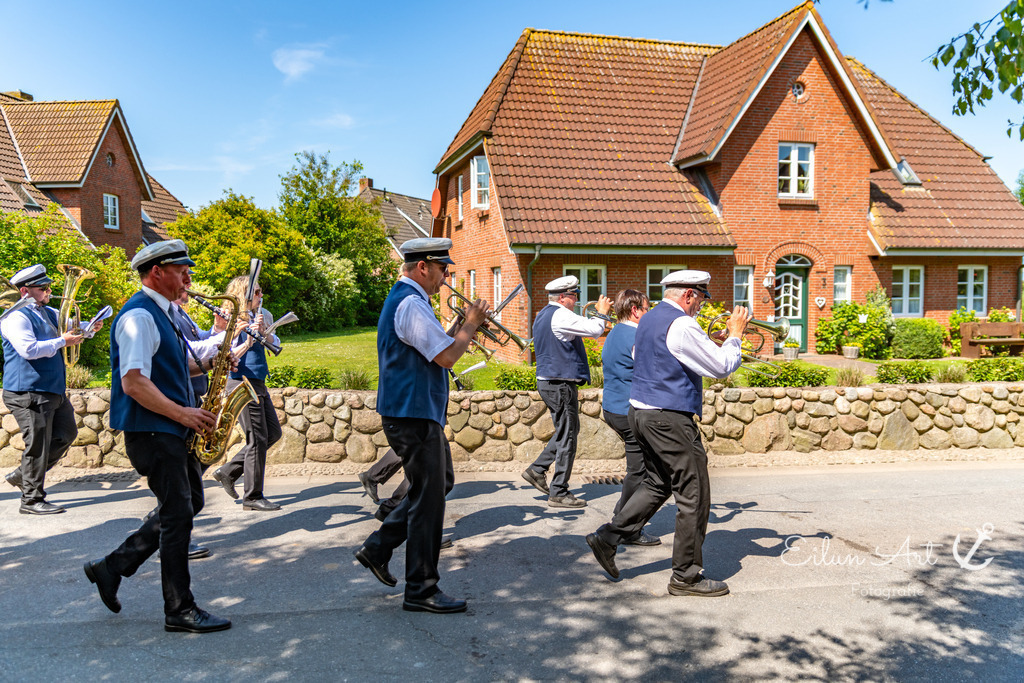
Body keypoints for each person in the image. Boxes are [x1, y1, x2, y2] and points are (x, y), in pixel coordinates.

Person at [84, 239, 231, 633]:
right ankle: (179, 609)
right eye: (181, 271)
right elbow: (133, 382)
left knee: (189, 502)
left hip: (168, 429)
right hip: (153, 431)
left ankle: (112, 567)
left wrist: (213, 362)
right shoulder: (139, 317)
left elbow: (175, 365)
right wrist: (184, 413)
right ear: (156, 272)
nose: (188, 279)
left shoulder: (163, 313)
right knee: (178, 514)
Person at [585, 270, 749, 597]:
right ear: (689, 295)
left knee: (657, 482)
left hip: (640, 412)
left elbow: (649, 356)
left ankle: (608, 537)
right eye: (700, 298)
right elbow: (721, 368)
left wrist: (706, 345)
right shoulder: (683, 324)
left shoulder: (649, 319)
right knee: (694, 494)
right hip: (668, 417)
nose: (701, 305)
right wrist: (735, 336)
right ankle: (685, 576)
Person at [352, 237, 487, 614]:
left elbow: (436, 346)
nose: (445, 278)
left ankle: (378, 548)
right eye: (442, 270)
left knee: (438, 484)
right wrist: (471, 325)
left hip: (416, 412)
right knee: (429, 500)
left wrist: (461, 328)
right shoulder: (410, 303)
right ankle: (421, 588)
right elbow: (446, 357)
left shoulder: (413, 300)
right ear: (423, 267)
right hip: (411, 414)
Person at [1, 264, 99, 515]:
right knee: (38, 445)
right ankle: (31, 500)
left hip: (51, 389)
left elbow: (72, 327)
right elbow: (29, 349)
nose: (49, 291)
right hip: (28, 390)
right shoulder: (16, 317)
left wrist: (89, 327)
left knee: (66, 434)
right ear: (25, 291)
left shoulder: (48, 311)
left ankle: (23, 475)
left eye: (48, 286)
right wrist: (62, 341)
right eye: (43, 288)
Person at [521, 275, 610, 508]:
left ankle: (537, 469)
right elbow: (595, 330)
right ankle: (559, 491)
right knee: (568, 436)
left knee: (568, 431)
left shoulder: (543, 314)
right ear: (563, 297)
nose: (576, 300)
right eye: (574, 296)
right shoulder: (561, 315)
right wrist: (601, 312)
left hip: (550, 382)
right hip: (559, 383)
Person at [211, 276, 283, 511]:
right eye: (257, 292)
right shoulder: (228, 316)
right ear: (244, 294)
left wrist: (263, 332)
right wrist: (245, 338)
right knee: (257, 437)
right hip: (240, 381)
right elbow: (221, 353)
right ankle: (252, 497)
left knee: (273, 432)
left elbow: (276, 344)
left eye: (261, 291)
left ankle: (228, 471)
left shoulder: (259, 316)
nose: (261, 296)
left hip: (258, 379)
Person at [600, 289, 659, 546]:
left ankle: (622, 517)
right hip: (628, 410)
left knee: (639, 469)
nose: (649, 313)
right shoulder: (637, 336)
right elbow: (652, 372)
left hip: (613, 408)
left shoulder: (614, 332)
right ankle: (625, 527)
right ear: (635, 310)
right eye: (647, 308)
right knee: (640, 471)